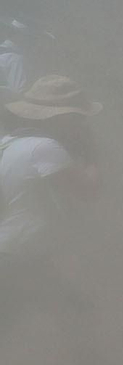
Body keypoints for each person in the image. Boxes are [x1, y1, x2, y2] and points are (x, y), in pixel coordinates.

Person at [0, 76, 102, 301]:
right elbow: (88, 191)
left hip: (11, 251)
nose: (81, 125)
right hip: (26, 253)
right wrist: (90, 152)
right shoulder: (44, 148)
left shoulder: (8, 143)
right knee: (77, 317)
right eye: (76, 118)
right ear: (60, 118)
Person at [0, 18, 48, 98]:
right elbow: (19, 92)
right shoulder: (16, 59)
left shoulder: (5, 54)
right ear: (21, 37)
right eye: (33, 38)